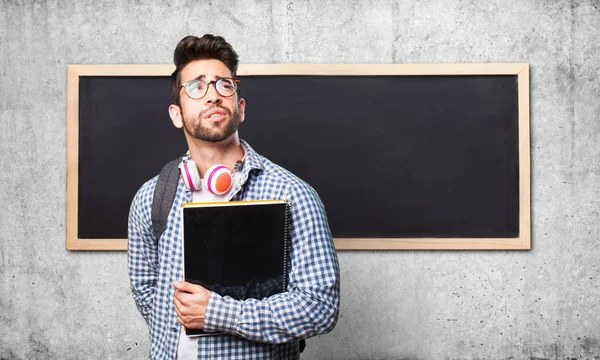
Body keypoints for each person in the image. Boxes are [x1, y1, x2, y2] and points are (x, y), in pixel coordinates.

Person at [128, 34, 340, 359]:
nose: (212, 95)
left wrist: (218, 313)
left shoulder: (293, 195)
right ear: (176, 114)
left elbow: (320, 306)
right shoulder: (151, 197)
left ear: (239, 107)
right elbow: (148, 294)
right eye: (196, 87)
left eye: (223, 85)